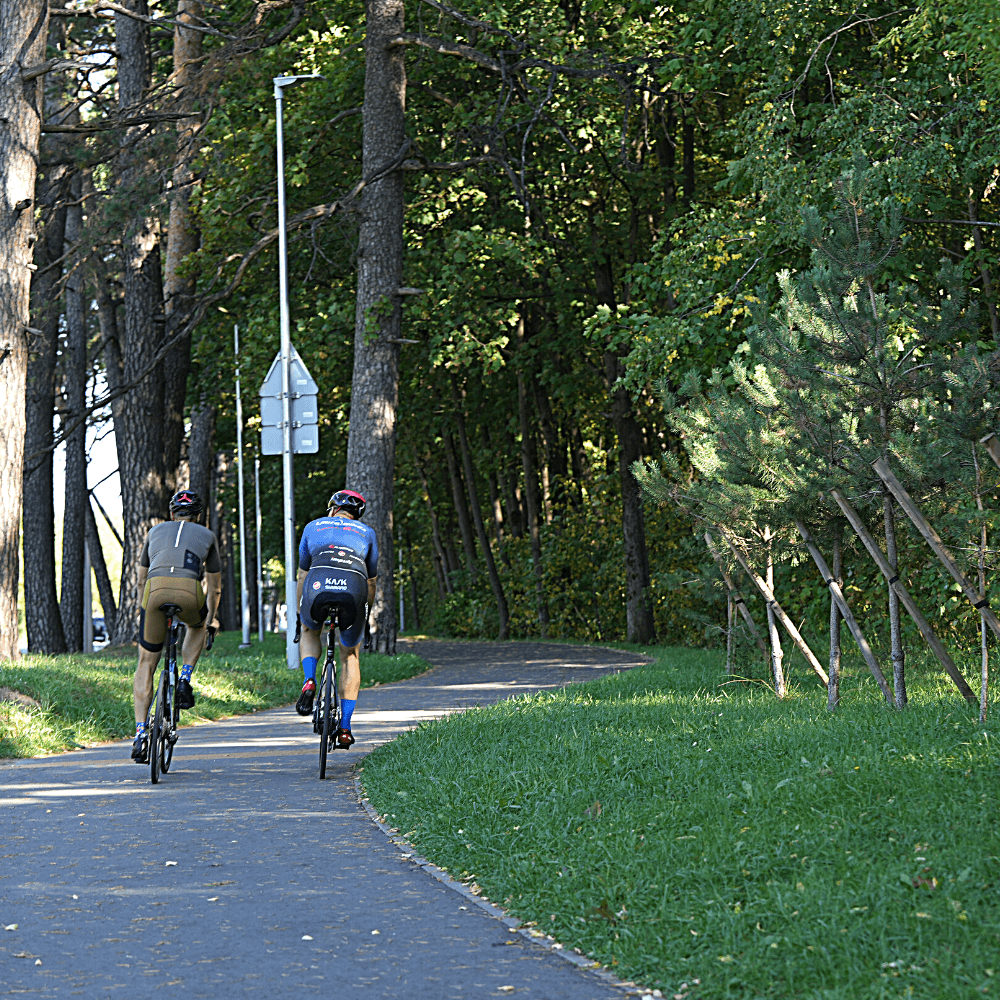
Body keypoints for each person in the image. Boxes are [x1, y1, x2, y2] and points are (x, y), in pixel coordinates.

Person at [131, 490, 222, 762]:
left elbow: (140, 578)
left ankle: (139, 734)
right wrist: (211, 619)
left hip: (154, 592)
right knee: (197, 625)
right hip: (189, 591)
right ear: (199, 516)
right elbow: (214, 588)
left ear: (172, 514)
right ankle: (184, 678)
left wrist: (143, 608)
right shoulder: (208, 536)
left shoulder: (154, 531)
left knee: (146, 662)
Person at [294, 489, 377, 749]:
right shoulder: (367, 533)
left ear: (332, 509)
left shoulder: (312, 526)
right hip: (354, 588)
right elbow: (372, 583)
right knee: (349, 654)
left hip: (317, 584)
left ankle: (309, 680)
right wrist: (366, 613)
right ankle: (345, 728)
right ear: (357, 514)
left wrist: (300, 614)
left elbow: (301, 575)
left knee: (309, 630)